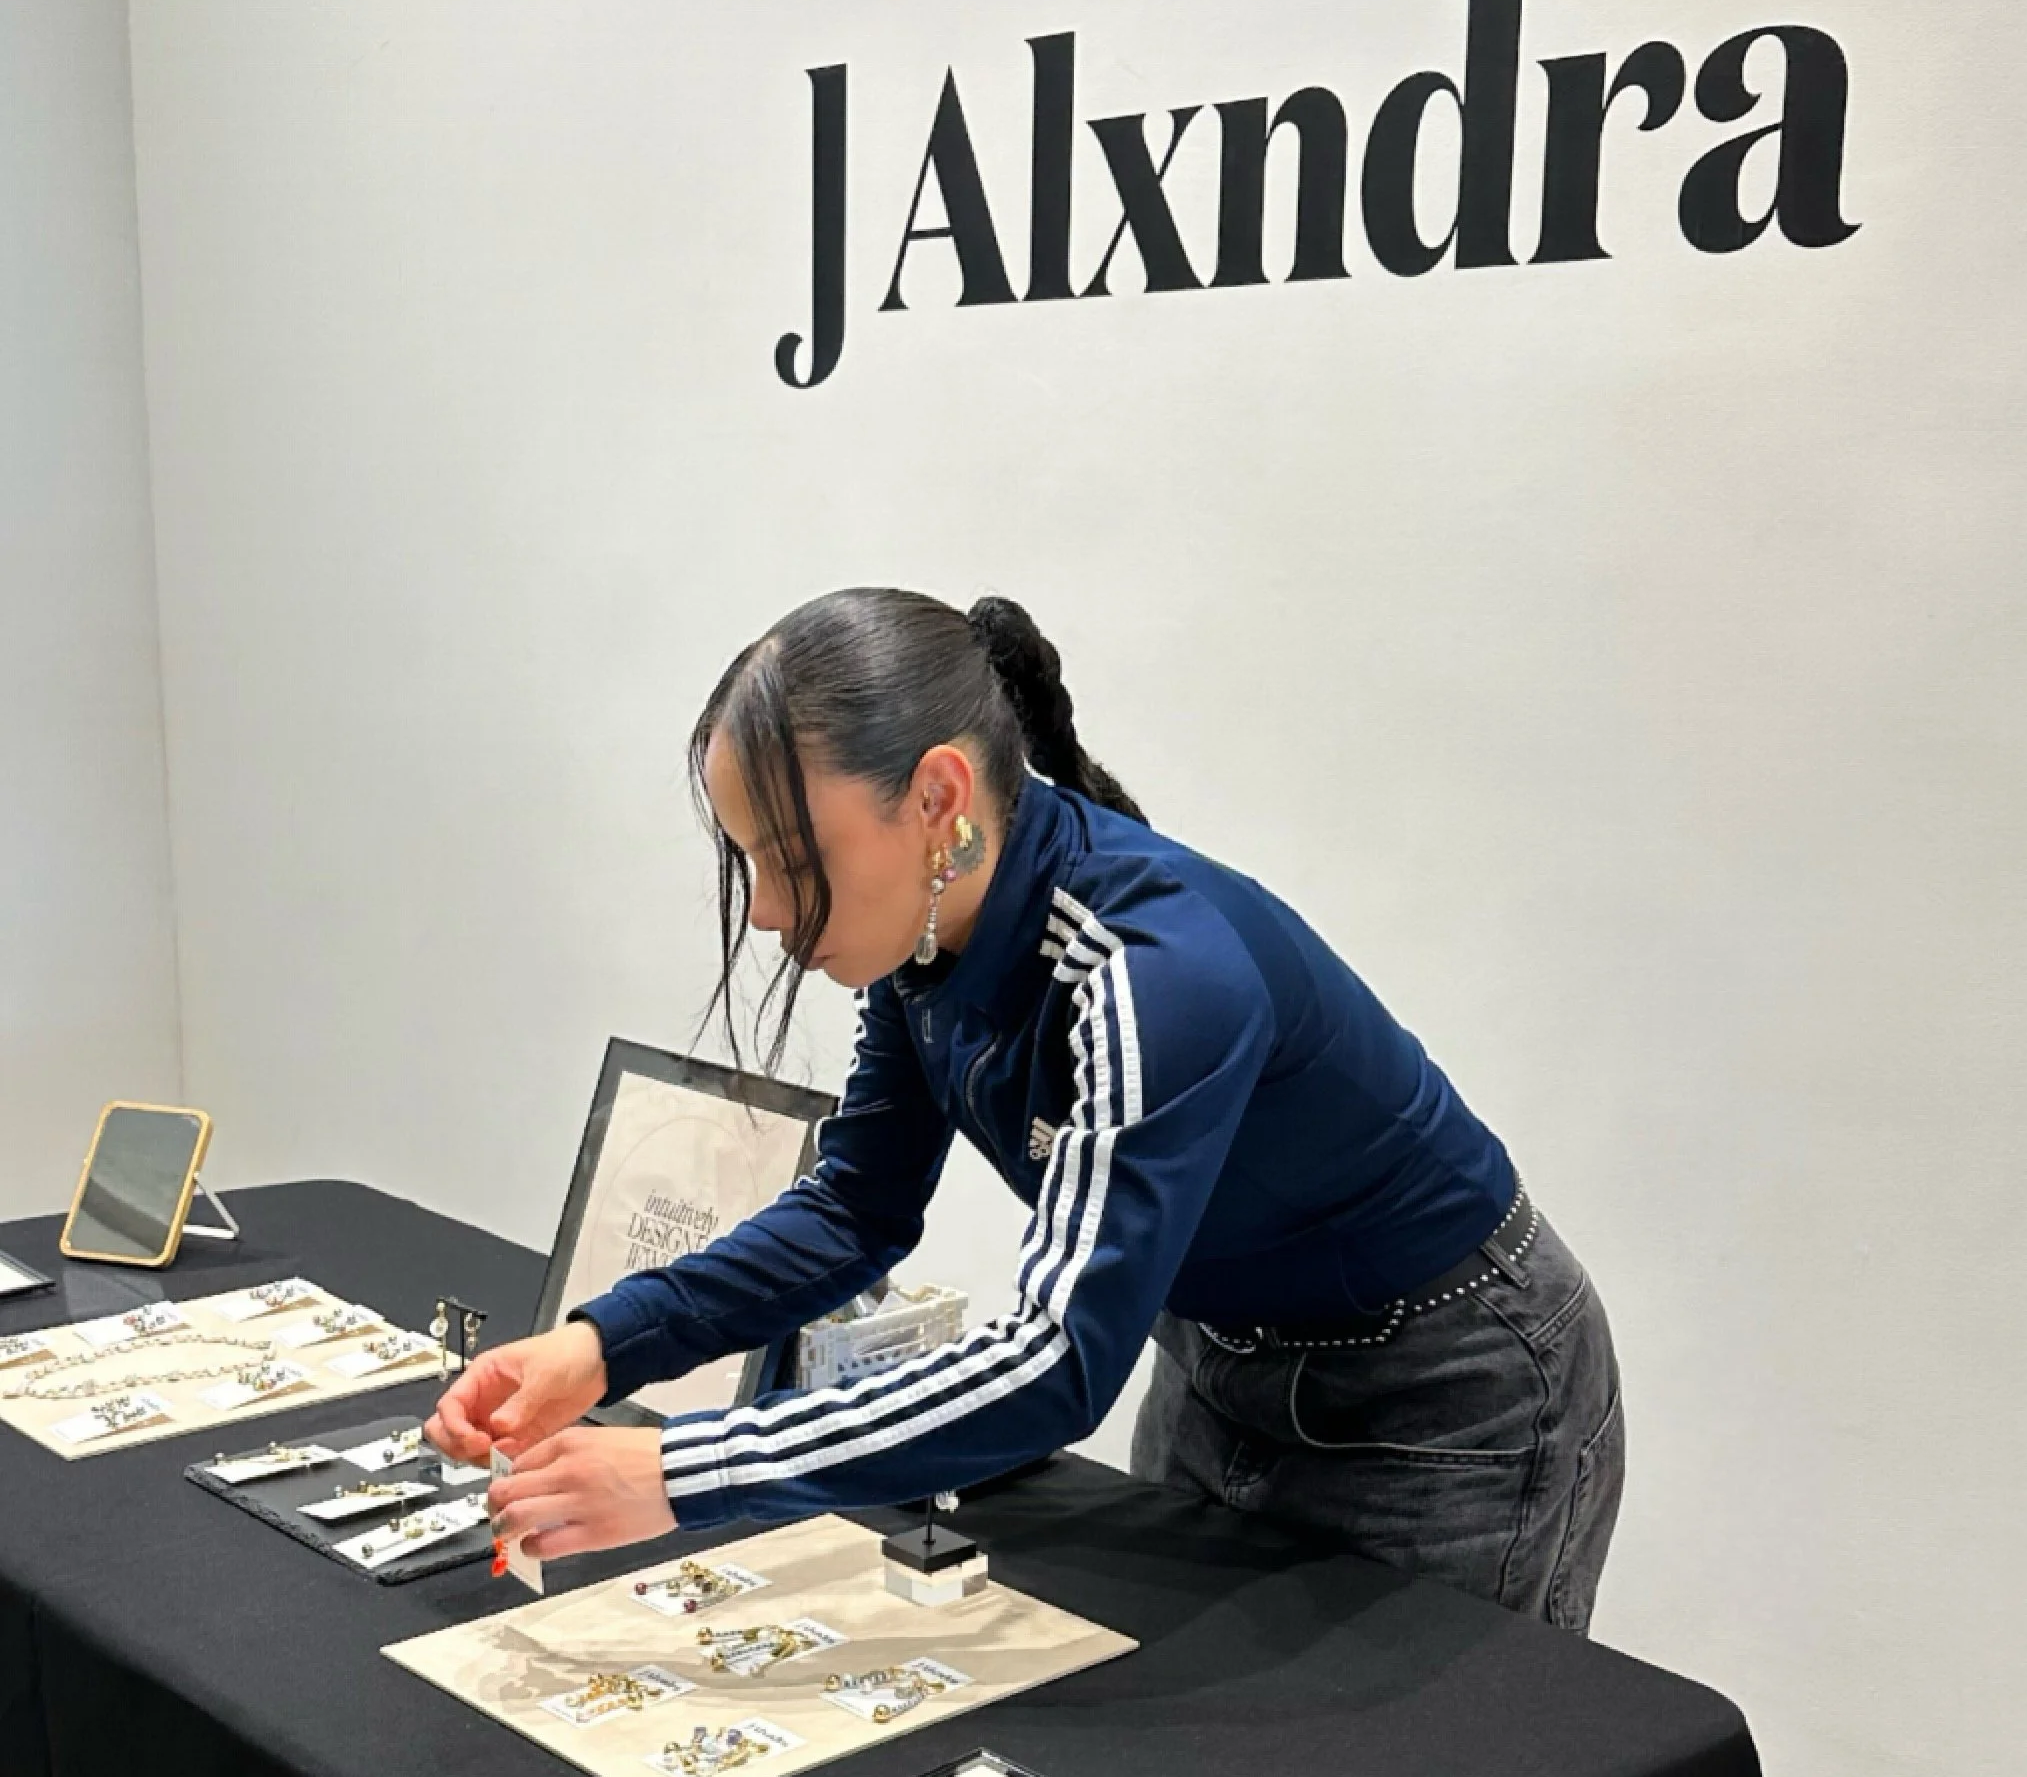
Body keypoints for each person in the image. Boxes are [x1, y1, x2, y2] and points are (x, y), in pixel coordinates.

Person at [429, 587, 1625, 1633]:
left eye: (798, 859)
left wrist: (684, 1467)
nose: (769, 914)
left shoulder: (1148, 970)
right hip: (1220, 1365)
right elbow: (854, 1208)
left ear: (938, 796)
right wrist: (602, 1344)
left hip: (1446, 1394)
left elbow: (1053, 1359)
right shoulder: (928, 946)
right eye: (752, 862)